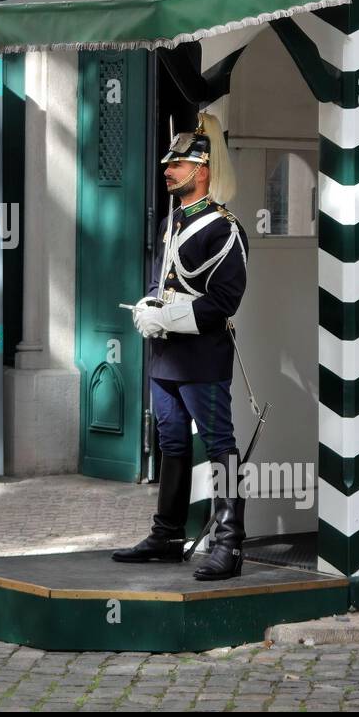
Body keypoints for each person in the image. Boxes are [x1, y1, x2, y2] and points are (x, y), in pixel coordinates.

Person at [112, 111, 250, 581]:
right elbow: (161, 277)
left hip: (201, 358)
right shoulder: (174, 221)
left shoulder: (223, 228)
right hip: (165, 358)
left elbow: (226, 300)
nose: (167, 171)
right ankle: (167, 535)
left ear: (202, 168)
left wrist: (169, 315)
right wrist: (147, 307)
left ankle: (230, 544)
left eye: (177, 164)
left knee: (220, 446)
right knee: (171, 443)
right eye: (169, 164)